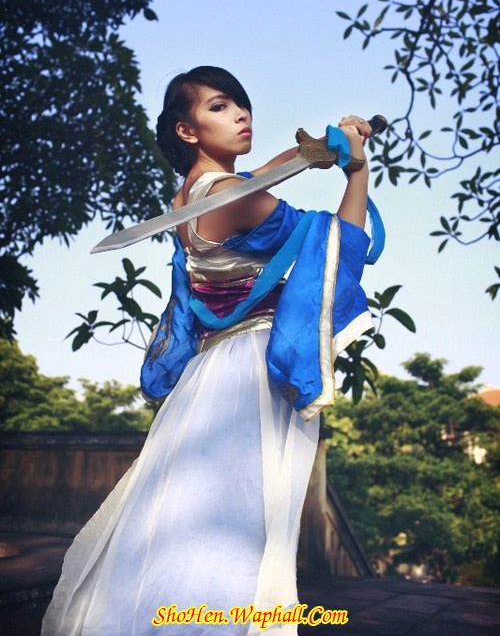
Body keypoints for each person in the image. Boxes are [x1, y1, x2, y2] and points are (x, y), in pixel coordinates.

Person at [42, 66, 377, 635]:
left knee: (185, 523)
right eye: (219, 106)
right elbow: (338, 244)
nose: (241, 114)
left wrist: (316, 152)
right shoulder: (228, 197)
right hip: (251, 374)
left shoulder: (193, 195)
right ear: (187, 129)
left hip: (213, 370)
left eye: (241, 104)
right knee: (239, 531)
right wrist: (357, 169)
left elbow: (257, 178)